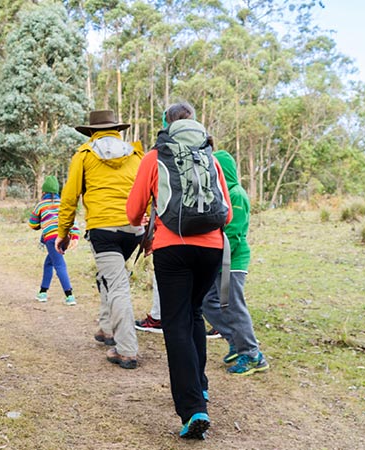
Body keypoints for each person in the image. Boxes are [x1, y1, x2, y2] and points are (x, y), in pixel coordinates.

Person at [126, 102, 232, 439]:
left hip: (173, 249)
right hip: (212, 248)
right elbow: (226, 214)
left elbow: (132, 212)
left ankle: (192, 410)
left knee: (175, 323)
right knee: (194, 314)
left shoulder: (154, 156)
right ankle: (200, 388)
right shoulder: (210, 157)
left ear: (166, 125)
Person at [56, 109, 144, 369]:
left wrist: (63, 233)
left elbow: (70, 197)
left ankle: (127, 349)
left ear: (92, 132)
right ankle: (106, 329)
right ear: (117, 130)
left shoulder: (84, 155)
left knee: (116, 285)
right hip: (134, 229)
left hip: (103, 230)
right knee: (107, 277)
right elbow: (147, 191)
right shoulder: (136, 155)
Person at [202, 150, 269, 375]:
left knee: (234, 306)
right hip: (217, 260)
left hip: (233, 260)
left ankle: (252, 355)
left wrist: (211, 249)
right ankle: (235, 342)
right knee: (207, 302)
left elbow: (233, 232)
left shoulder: (236, 194)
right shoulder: (218, 193)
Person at [28, 175, 79, 306]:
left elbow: (32, 224)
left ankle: (70, 295)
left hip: (51, 238)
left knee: (59, 265)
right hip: (65, 237)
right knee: (49, 263)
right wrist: (75, 236)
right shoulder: (62, 204)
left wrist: (42, 223)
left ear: (44, 192)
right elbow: (72, 220)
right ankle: (43, 292)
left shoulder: (41, 205)